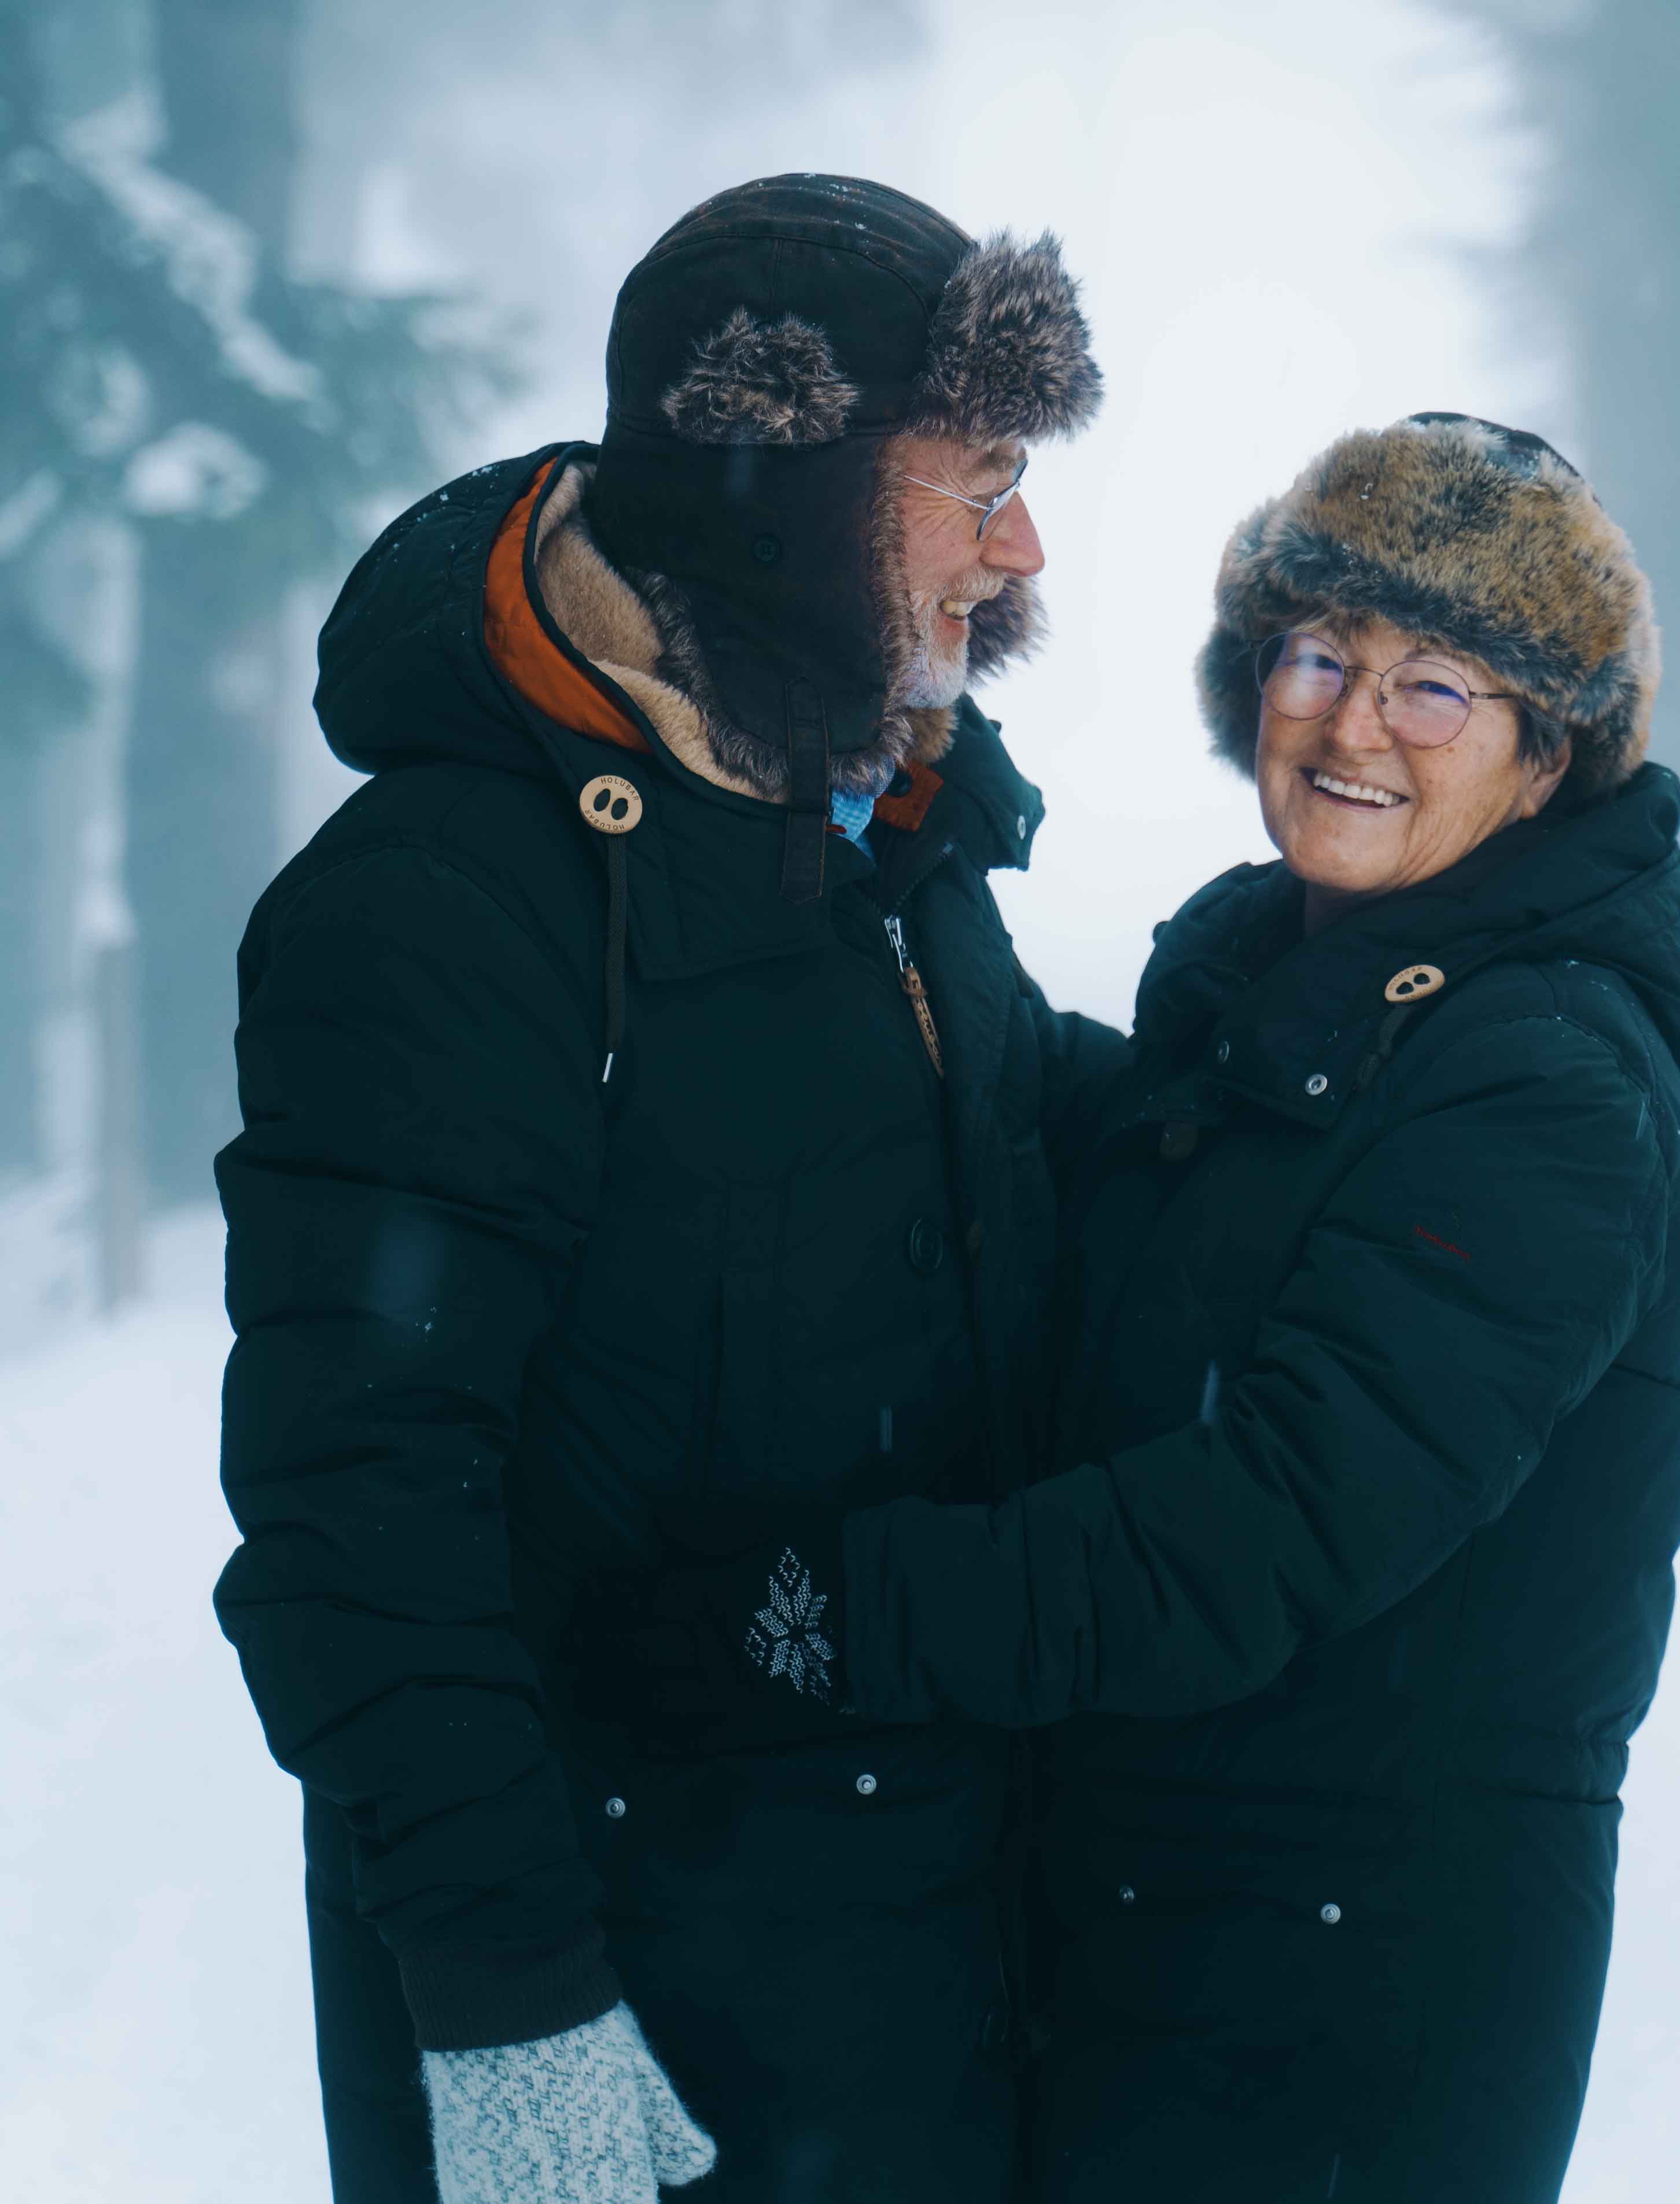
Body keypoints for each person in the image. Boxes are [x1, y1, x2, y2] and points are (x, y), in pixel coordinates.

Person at [619, 412, 1680, 2201]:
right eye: (1317, 656)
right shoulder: (1295, 1012)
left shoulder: (1542, 1081)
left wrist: (830, 1612)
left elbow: (1262, 1523)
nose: (1353, 722)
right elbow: (1048, 1130)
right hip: (1160, 1933)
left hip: (1349, 1994)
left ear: (1549, 758)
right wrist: (863, 906)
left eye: (1437, 686)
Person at [211, 175, 1120, 2204]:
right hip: (632, 1981)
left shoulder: (879, 821)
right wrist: (505, 1996)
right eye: (970, 477)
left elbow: (1020, 1150)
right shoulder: (451, 900)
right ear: (782, 485)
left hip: (911, 1964)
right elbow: (360, 1508)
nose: (1021, 541)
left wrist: (1391, 1067)